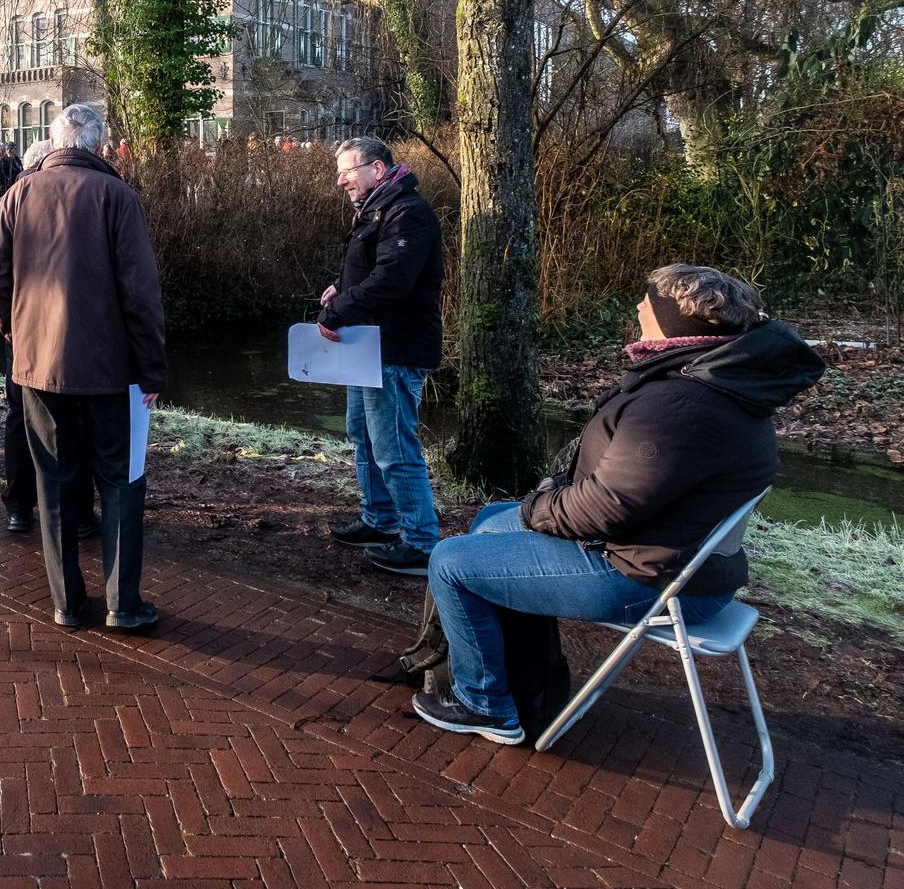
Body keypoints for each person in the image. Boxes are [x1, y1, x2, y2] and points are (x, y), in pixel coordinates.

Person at [413, 265, 825, 744]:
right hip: (680, 563)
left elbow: (607, 508)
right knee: (486, 521)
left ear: (672, 323)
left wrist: (535, 509)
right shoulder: (721, 378)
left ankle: (485, 704)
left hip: (648, 579)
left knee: (450, 561)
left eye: (647, 302)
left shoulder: (681, 404)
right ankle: (531, 686)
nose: (637, 307)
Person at [0, 104, 167, 631]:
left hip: (39, 367)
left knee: (55, 480)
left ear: (53, 140)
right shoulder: (117, 196)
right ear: (100, 143)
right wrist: (152, 369)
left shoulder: (18, 194)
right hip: (111, 370)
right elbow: (141, 294)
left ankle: (67, 603)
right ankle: (122, 603)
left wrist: (17, 335)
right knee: (121, 480)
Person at [318, 136, 446, 575]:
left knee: (394, 448)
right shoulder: (378, 208)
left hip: (396, 347)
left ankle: (422, 542)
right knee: (364, 436)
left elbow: (392, 282)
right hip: (370, 347)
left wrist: (336, 312)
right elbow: (372, 270)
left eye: (347, 172)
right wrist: (343, 288)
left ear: (376, 168)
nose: (341, 181)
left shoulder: (408, 213)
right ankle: (380, 519)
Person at [0, 139, 99, 537]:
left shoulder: (2, 205)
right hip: (66, 330)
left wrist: (8, 325)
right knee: (75, 418)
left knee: (21, 418)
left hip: (22, 332)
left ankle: (18, 507)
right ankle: (77, 513)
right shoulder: (72, 196)